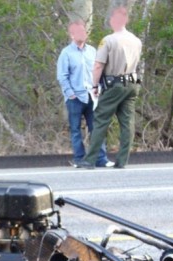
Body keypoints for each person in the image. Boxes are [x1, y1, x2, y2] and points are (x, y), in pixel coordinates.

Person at [80, 7, 142, 169]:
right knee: (127, 122)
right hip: (132, 84)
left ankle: (90, 159)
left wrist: (94, 85)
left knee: (100, 119)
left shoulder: (108, 40)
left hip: (114, 85)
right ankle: (122, 160)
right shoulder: (136, 40)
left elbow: (99, 65)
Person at [56, 19, 114, 168]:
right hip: (75, 97)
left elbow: (99, 71)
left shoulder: (92, 51)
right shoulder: (66, 53)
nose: (83, 34)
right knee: (76, 130)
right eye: (79, 31)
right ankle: (79, 159)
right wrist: (70, 93)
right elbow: (62, 75)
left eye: (84, 31)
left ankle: (101, 158)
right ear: (72, 35)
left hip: (92, 96)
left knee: (96, 128)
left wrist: (99, 88)